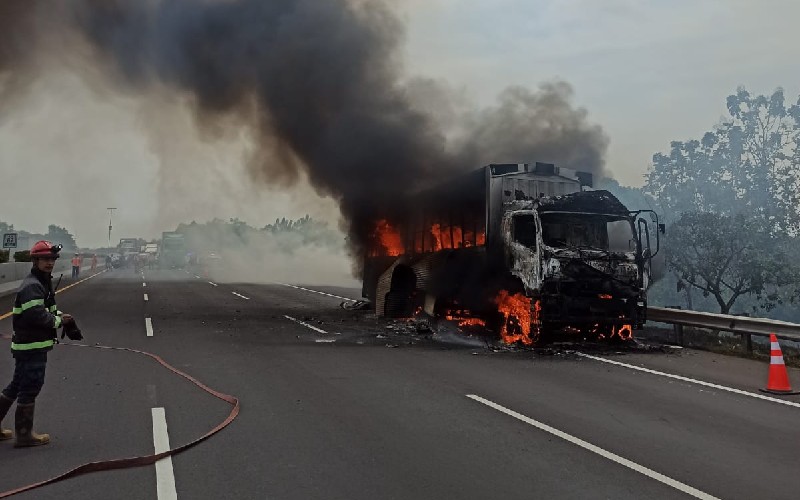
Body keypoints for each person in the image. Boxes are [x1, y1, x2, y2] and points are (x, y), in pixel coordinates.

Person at [0, 240, 75, 447]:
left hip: (30, 345)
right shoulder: (33, 285)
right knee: (31, 386)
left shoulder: (42, 281)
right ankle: (24, 435)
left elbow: (46, 310)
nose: (49, 263)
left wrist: (61, 316)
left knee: (16, 385)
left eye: (51, 259)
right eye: (44, 259)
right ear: (35, 260)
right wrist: (59, 322)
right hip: (31, 346)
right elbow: (36, 316)